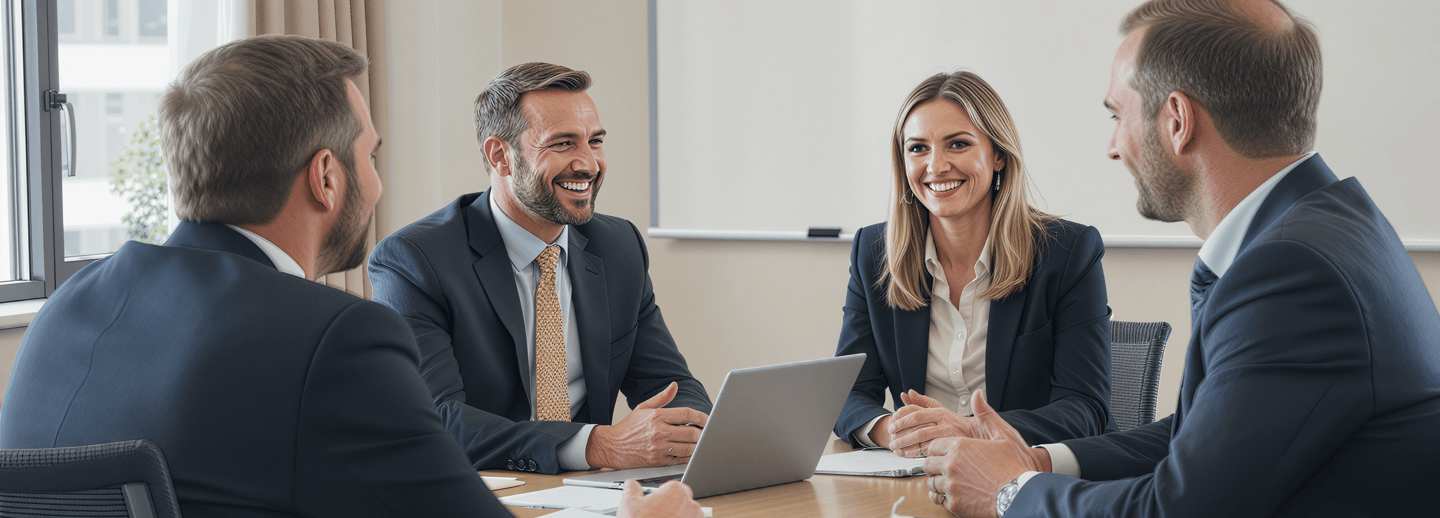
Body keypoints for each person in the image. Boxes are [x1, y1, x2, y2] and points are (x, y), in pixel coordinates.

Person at [0, 36, 701, 518]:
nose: (379, 178)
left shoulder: (70, 305)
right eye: (371, 153)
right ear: (326, 176)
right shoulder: (332, 338)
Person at [920, 1, 1440, 516]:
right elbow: (1205, 437)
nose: (1113, 146)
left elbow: (1176, 510)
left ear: (1176, 120)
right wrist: (1037, 459)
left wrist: (1010, 492)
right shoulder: (1324, 228)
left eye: (1117, 115)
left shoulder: (1291, 272)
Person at [369, 62, 712, 476]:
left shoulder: (620, 247)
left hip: (590, 495)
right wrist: (599, 445)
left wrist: (687, 432)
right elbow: (438, 419)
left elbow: (670, 384)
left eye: (595, 141)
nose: (588, 163)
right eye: (563, 143)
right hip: (480, 492)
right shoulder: (415, 261)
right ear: (501, 156)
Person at [834, 71, 1114, 457]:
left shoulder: (1067, 253)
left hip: (1029, 476)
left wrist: (969, 430)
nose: (936, 166)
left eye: (958, 144)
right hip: (919, 477)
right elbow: (848, 392)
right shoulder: (874, 253)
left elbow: (1085, 408)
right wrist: (893, 430)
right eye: (917, 148)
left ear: (998, 154)